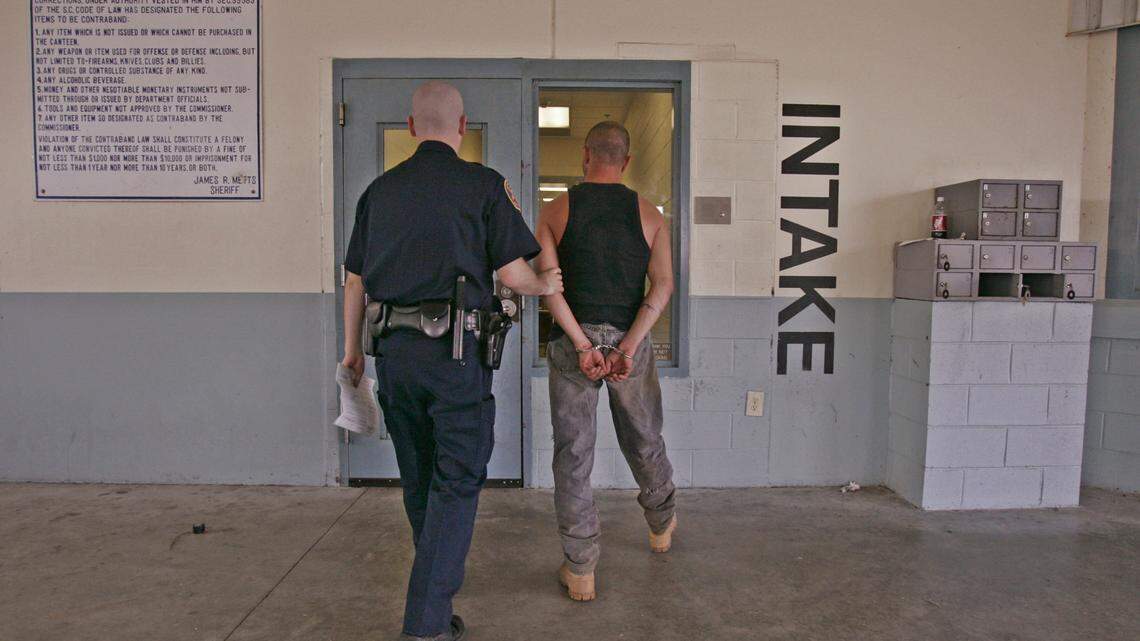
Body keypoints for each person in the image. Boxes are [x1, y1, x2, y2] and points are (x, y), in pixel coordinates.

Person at [341, 81, 562, 641]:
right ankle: (427, 621)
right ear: (462, 129)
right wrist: (542, 284)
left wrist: (351, 354)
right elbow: (513, 275)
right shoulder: (483, 186)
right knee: (458, 479)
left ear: (412, 128)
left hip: (393, 358)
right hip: (455, 358)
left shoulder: (379, 192)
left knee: (419, 476)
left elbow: (355, 284)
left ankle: (435, 584)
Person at [535, 121, 677, 602]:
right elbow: (662, 288)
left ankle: (580, 569)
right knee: (644, 438)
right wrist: (629, 347)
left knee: (573, 455)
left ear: (585, 156)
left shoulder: (554, 210)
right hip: (627, 345)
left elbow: (549, 288)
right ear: (628, 161)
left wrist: (582, 344)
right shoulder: (651, 215)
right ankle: (660, 525)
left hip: (573, 348)